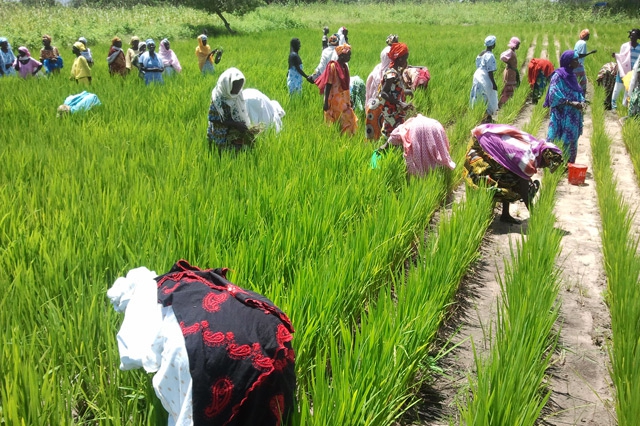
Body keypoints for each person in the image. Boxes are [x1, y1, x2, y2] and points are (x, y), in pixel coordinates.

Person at [107, 260, 296, 426]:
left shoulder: (141, 303)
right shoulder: (187, 279)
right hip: (272, 329)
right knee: (267, 407)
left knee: (193, 406)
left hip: (207, 350)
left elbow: (136, 356)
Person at [464, 123, 563, 224]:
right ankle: (480, 216)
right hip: (482, 145)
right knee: (501, 181)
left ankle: (505, 214)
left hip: (490, 138)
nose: (543, 167)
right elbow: (524, 191)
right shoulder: (526, 160)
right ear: (544, 159)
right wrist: (534, 214)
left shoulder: (537, 147)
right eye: (546, 165)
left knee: (510, 177)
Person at [375, 114, 456, 176]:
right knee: (434, 152)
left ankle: (421, 174)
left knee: (418, 154)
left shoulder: (404, 127)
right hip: (436, 127)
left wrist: (380, 149)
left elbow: (391, 139)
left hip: (418, 130)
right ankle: (435, 171)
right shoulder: (430, 121)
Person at [544, 50, 587, 164]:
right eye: (576, 59)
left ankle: (568, 164)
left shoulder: (572, 75)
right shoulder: (558, 76)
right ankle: (554, 163)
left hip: (572, 116)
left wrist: (582, 101)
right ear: (569, 62)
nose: (578, 62)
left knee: (571, 140)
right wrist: (570, 103)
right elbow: (553, 94)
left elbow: (578, 92)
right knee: (557, 138)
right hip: (561, 115)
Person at [207, 67, 258, 152]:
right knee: (222, 151)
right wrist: (235, 124)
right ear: (228, 85)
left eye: (240, 86)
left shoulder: (237, 94)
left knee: (243, 146)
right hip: (220, 130)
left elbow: (241, 111)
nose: (238, 90)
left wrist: (242, 125)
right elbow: (213, 119)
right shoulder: (218, 98)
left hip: (233, 126)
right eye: (236, 87)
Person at [315, 44, 358, 135]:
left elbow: (345, 86)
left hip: (343, 99)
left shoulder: (344, 67)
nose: (349, 57)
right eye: (348, 55)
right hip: (334, 99)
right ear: (341, 56)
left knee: (349, 118)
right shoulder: (333, 66)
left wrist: (349, 99)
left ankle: (347, 139)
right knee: (337, 121)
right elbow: (328, 84)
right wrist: (326, 101)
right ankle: (337, 138)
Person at [379, 43, 412, 138]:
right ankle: (385, 150)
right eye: (405, 58)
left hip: (396, 111)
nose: (406, 61)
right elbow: (384, 92)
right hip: (392, 111)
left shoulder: (396, 72)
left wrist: (406, 92)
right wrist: (400, 103)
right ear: (400, 58)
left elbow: (395, 89)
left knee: (397, 134)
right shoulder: (392, 74)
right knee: (392, 135)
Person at [470, 35, 499, 123]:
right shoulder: (490, 56)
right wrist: (494, 83)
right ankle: (487, 117)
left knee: (479, 95)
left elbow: (478, 65)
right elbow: (490, 71)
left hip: (477, 75)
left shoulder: (481, 53)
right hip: (484, 76)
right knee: (489, 95)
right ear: (493, 45)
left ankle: (481, 115)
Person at [612, 29, 640, 109]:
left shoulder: (639, 48)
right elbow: (621, 58)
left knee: (628, 90)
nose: (632, 37)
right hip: (623, 71)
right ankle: (614, 107)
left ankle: (625, 107)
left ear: (638, 37)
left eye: (634, 36)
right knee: (617, 89)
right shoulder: (624, 46)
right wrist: (616, 56)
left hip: (633, 73)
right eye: (631, 35)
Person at [499, 36, 521, 107]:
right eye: (518, 45)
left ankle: (506, 102)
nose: (518, 46)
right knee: (508, 87)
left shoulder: (512, 52)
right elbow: (502, 57)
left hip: (512, 72)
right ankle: (502, 103)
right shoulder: (510, 52)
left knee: (511, 87)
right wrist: (508, 63)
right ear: (515, 45)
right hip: (510, 72)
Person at [574, 29, 590, 95]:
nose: (589, 36)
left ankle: (576, 96)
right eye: (588, 35)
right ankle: (582, 98)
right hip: (579, 65)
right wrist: (590, 53)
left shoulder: (578, 42)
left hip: (574, 64)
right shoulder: (583, 43)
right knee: (583, 82)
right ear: (585, 36)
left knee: (575, 81)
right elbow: (579, 55)